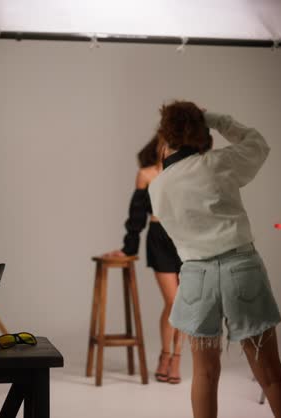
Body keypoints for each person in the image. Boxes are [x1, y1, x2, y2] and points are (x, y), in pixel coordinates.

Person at [148, 101, 281, 418]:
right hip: (241, 270)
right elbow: (258, 144)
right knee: (270, 375)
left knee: (204, 374)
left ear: (166, 135)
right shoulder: (219, 163)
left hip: (195, 279)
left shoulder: (158, 186)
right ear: (202, 130)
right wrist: (216, 119)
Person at [105, 135, 184, 384]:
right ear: (160, 145)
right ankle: (165, 354)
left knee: (186, 304)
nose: (172, 149)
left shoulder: (187, 174)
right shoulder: (146, 174)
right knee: (173, 301)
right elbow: (136, 216)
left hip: (186, 239)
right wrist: (128, 248)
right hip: (160, 238)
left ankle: (176, 360)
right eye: (169, 144)